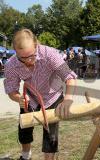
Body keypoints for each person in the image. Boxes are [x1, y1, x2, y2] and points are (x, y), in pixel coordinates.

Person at [3, 29, 77, 160]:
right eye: (22, 58)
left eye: (31, 56)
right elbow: (11, 90)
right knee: (24, 130)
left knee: (51, 135)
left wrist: (68, 99)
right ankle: (26, 156)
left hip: (53, 96)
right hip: (29, 99)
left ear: (36, 45)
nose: (28, 61)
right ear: (15, 51)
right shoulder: (11, 65)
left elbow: (69, 76)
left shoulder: (49, 54)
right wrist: (19, 98)